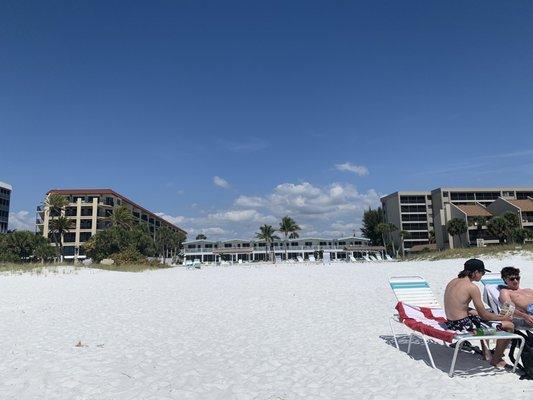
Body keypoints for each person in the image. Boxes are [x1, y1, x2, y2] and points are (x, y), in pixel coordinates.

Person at [444, 258, 514, 368]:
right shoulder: (472, 287)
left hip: (452, 323)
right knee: (509, 326)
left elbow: (459, 306)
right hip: (464, 327)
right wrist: (502, 317)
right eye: (483, 273)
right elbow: (484, 315)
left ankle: (486, 354)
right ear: (475, 272)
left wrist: (481, 313)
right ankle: (496, 359)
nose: (482, 275)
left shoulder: (453, 282)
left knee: (480, 318)